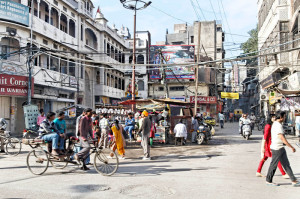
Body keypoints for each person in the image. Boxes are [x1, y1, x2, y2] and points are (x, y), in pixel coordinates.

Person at [266, 112, 300, 187]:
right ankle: (268, 180)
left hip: (280, 147)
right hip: (277, 148)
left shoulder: (276, 124)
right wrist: (291, 147)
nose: (285, 118)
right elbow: (282, 138)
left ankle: (293, 180)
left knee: (286, 164)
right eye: (284, 117)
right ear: (281, 117)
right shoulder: (278, 125)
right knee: (274, 165)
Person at [256, 114, 288, 178]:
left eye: (274, 117)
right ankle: (283, 173)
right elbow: (265, 137)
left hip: (271, 144)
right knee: (276, 159)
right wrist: (263, 147)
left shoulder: (272, 125)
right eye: (272, 117)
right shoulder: (268, 126)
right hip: (269, 145)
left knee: (264, 158)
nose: (274, 118)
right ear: (269, 118)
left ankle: (258, 171)